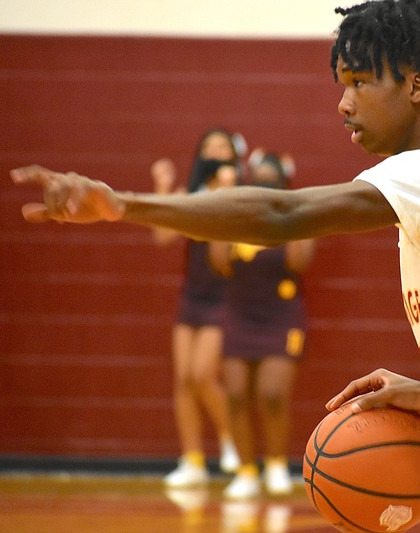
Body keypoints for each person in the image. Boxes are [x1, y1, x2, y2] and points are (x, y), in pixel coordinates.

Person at [10, 1, 420, 530]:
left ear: (416, 85)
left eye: (360, 82)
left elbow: (284, 216)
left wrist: (124, 204)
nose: (343, 104)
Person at [208, 148, 316, 499]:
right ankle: (245, 471)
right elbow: (218, 261)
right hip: (239, 313)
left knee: (271, 394)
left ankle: (275, 464)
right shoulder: (239, 216)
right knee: (237, 395)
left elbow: (300, 262)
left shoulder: (293, 216)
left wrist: (297, 220)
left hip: (281, 316)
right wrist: (224, 209)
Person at [150, 128, 242, 488]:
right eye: (209, 147)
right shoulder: (191, 196)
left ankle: (230, 439)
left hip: (226, 295)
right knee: (184, 379)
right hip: (193, 295)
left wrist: (231, 189)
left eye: (223, 146)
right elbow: (162, 235)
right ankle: (192, 460)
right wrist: (162, 185)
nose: (216, 153)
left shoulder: (240, 194)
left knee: (204, 374)